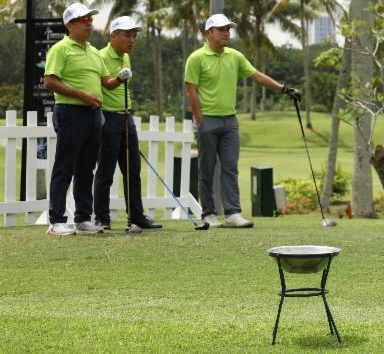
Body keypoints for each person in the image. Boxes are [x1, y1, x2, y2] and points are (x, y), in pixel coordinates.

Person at [184, 14, 301, 228]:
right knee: (207, 169)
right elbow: (191, 91)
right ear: (209, 32)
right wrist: (199, 119)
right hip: (207, 120)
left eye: (228, 29)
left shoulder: (234, 56)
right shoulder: (196, 58)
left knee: (230, 167)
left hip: (230, 121)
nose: (226, 32)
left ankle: (232, 213)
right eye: (221, 29)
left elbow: (256, 75)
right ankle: (209, 214)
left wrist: (283, 89)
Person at [42, 3, 126, 236]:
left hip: (93, 114)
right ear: (70, 25)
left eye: (90, 20)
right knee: (65, 166)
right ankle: (56, 220)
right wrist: (81, 95)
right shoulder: (61, 49)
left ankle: (82, 219)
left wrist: (120, 78)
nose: (89, 24)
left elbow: (105, 82)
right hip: (70, 112)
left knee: (86, 168)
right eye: (84, 21)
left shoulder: (93, 51)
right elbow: (49, 81)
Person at [92, 16, 161, 233]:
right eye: (127, 35)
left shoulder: (125, 58)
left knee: (132, 170)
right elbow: (105, 86)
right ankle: (102, 219)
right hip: (108, 117)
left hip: (125, 117)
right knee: (105, 171)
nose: (132, 40)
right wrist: (120, 79)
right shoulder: (101, 57)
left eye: (134, 36)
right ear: (113, 36)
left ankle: (137, 216)